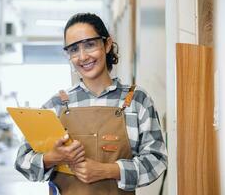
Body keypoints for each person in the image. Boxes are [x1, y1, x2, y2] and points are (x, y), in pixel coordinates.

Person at [15, 13, 167, 195]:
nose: (83, 56)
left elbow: (157, 160)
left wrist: (107, 170)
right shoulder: (56, 105)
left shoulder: (136, 100)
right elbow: (22, 160)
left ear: (107, 44)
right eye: (73, 50)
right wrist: (51, 158)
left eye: (90, 45)